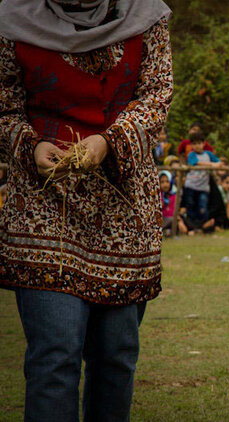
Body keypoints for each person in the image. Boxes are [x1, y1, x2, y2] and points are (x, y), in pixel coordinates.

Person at [0, 0, 172, 421]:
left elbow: (156, 94)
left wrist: (108, 142)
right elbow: (4, 105)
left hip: (124, 208)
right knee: (55, 358)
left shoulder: (147, 14)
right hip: (44, 206)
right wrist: (30, 144)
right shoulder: (11, 19)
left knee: (115, 357)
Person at [182, 132, 220, 225]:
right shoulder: (191, 154)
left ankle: (202, 225)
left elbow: (218, 162)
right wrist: (211, 164)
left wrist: (217, 164)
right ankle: (191, 225)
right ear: (191, 145)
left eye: (199, 143)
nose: (197, 146)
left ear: (203, 143)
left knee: (202, 207)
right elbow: (195, 163)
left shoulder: (208, 154)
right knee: (190, 206)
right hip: (191, 185)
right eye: (194, 144)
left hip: (203, 187)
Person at [159, 171, 187, 236]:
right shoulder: (158, 195)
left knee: (180, 222)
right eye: (162, 182)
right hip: (162, 220)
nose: (165, 184)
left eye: (167, 181)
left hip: (172, 219)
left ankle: (169, 232)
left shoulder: (174, 195)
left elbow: (174, 209)